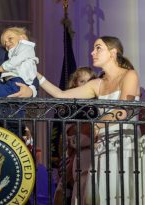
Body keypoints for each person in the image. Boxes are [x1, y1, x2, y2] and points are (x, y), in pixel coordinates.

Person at [37, 36, 140, 204]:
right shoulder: (97, 84)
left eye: (98, 48)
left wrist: (96, 124)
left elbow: (123, 111)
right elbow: (61, 95)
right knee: (97, 194)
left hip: (123, 146)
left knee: (117, 194)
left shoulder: (129, 75)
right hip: (101, 146)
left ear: (113, 52)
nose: (92, 52)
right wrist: (35, 74)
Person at [53, 67, 97, 205]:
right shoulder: (71, 106)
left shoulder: (96, 104)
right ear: (75, 84)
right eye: (82, 81)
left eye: (89, 81)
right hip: (71, 151)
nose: (86, 85)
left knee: (84, 187)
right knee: (62, 188)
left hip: (90, 152)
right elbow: (70, 132)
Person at [0, 27, 38, 97]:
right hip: (13, 82)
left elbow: (15, 61)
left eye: (10, 38)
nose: (7, 43)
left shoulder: (26, 47)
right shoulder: (15, 51)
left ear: (22, 37)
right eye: (5, 44)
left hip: (18, 82)